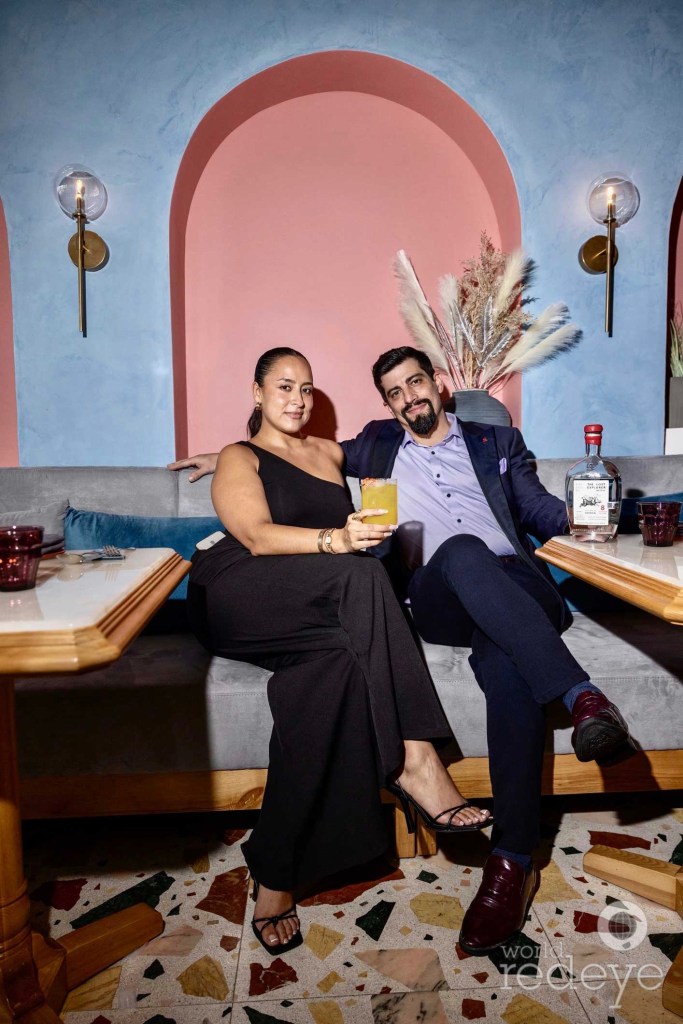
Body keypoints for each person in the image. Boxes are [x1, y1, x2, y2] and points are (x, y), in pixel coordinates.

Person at [171, 345, 631, 956]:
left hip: (513, 590)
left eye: (416, 383)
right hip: (439, 591)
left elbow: (539, 508)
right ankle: (569, 699)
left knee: (507, 667)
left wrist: (595, 515)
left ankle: (511, 862)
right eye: (395, 392)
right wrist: (225, 458)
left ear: (437, 384)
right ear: (387, 405)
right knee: (454, 553)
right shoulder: (376, 444)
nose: (409, 397)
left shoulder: (497, 441)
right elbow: (266, 478)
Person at [185, 346, 492, 957]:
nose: (298, 399)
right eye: (284, 387)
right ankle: (415, 758)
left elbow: (406, 432)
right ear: (257, 393)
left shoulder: (330, 453)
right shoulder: (240, 456)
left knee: (333, 672)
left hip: (314, 604)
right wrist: (336, 538)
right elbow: (256, 536)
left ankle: (276, 870)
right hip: (238, 590)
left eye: (306, 388)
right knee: (360, 572)